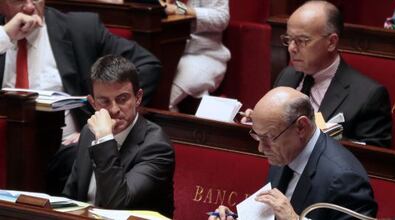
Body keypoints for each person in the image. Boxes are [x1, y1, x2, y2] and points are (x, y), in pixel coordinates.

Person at [0, 0, 162, 194]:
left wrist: (95, 127)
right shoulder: (3, 33)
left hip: (64, 149)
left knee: (78, 161)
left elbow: (148, 65)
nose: (28, 7)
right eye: (18, 1)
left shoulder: (80, 28)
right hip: (4, 144)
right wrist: (5, 35)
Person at [209, 87, 377, 220]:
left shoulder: (345, 179)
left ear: (301, 127)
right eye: (257, 136)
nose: (261, 148)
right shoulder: (285, 152)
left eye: (268, 137)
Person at [242, 0, 392, 147]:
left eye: (301, 41)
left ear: (331, 42)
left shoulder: (368, 96)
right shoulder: (286, 76)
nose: (291, 48)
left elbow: (374, 162)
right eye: (289, 39)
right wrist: (261, 122)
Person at [63, 55, 174, 217]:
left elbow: (117, 204)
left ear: (138, 98)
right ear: (93, 103)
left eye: (122, 99)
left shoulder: (156, 147)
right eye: (104, 101)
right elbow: (70, 197)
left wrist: (104, 140)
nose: (114, 109)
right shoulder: (89, 132)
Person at [161, 0, 231, 112]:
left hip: (203, 55)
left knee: (163, 101)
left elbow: (221, 18)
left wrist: (179, 9)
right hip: (165, 53)